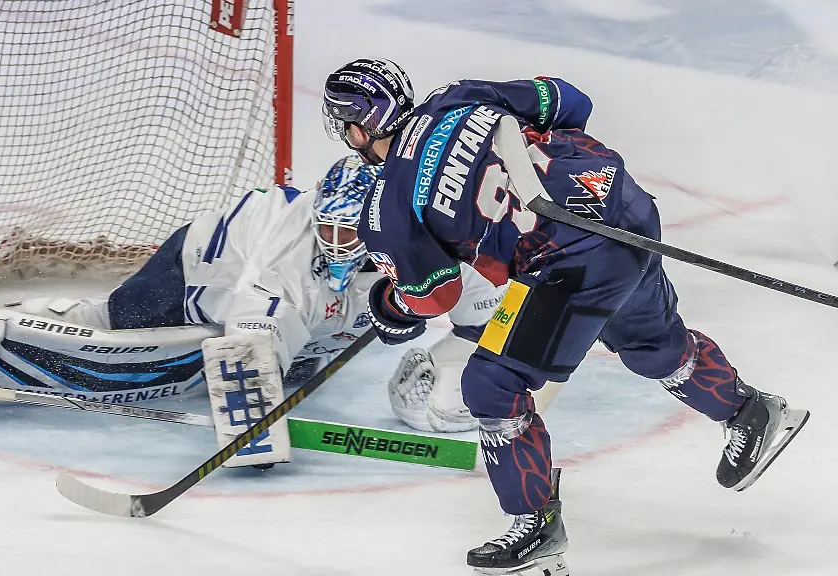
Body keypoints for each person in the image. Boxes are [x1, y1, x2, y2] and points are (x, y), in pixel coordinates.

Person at [321, 58, 810, 575]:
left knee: (491, 383)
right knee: (648, 341)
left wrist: (389, 305)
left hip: (570, 264)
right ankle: (750, 412)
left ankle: (536, 529)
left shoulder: (387, 207)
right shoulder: (459, 96)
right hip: (623, 206)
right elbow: (569, 99)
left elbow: (434, 297)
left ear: (357, 128)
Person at [0, 155, 503, 434]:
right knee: (126, 340)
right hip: (199, 271)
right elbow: (251, 346)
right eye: (329, 230)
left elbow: (484, 301)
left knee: (259, 348)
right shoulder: (289, 261)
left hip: (260, 284)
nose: (338, 244)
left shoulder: (415, 241)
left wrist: (477, 365)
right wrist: (252, 426)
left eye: (351, 232)